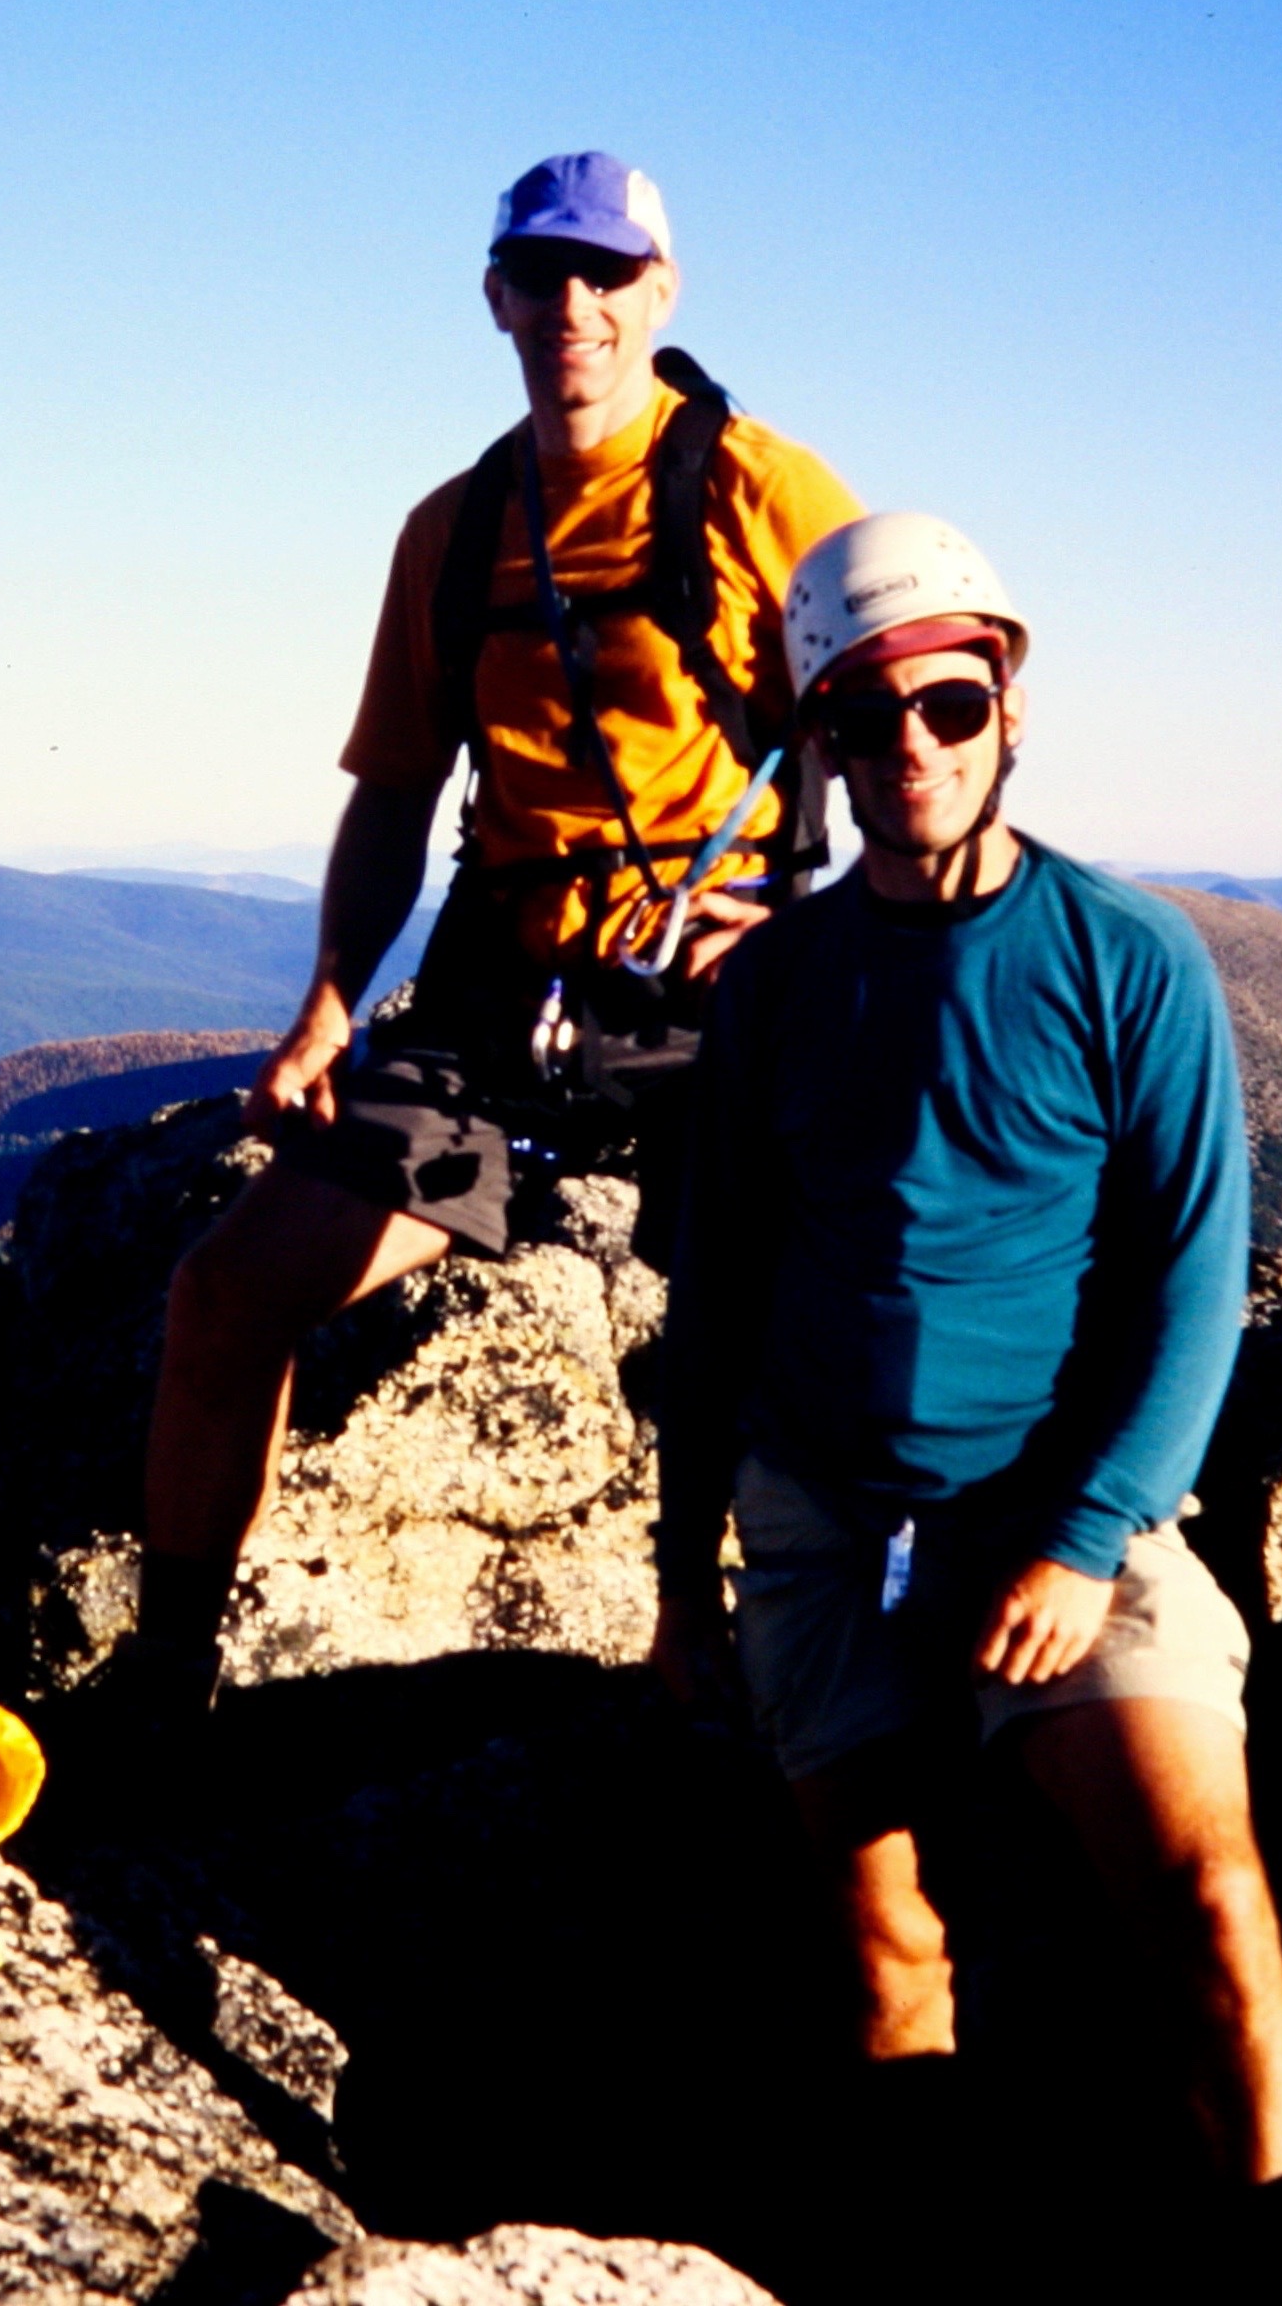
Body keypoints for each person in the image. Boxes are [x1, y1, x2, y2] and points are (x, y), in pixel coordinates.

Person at [128, 151, 864, 1705]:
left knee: (771, 1324)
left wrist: (807, 930)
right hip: (498, 997)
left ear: (660, 295)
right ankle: (170, 1679)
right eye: (541, 275)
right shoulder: (454, 530)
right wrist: (328, 1004)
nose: (572, 305)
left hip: (708, 1003)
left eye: (606, 276)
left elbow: (911, 723)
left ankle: (759, 1663)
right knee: (229, 1290)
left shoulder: (763, 492)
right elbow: (395, 792)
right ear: (496, 299)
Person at [654, 513, 1282, 2187]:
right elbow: (715, 1291)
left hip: (1055, 1509)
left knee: (1210, 1905)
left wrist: (1083, 1539)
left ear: (1007, 708)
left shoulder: (1123, 956)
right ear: (817, 739)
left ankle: (1271, 2258)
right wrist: (675, 1585)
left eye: (946, 705)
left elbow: (1194, 1279)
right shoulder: (776, 985)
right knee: (886, 1954)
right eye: (861, 715)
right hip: (827, 1522)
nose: (909, 746)